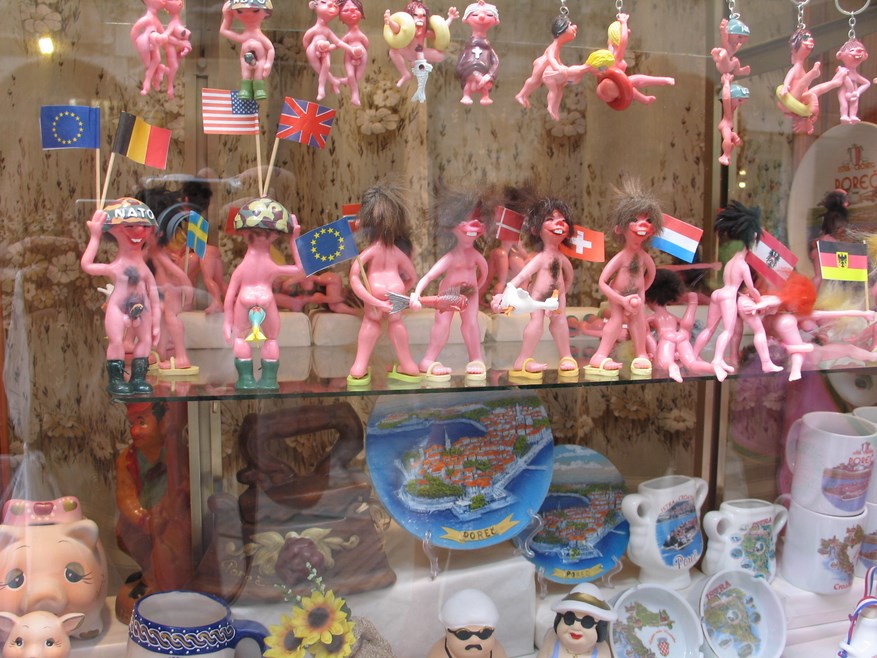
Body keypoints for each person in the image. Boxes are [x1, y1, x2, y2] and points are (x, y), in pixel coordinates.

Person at [115, 401, 190, 620]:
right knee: (126, 535)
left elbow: (188, 487)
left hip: (171, 519)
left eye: (142, 422)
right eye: (132, 424)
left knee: (173, 544)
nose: (134, 431)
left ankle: (170, 582)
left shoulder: (179, 455)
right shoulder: (127, 459)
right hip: (144, 521)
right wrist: (142, 519)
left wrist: (169, 514)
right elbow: (125, 496)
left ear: (163, 422)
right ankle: (150, 576)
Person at [81, 198, 162, 395]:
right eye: (130, 226)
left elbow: (153, 294)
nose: (138, 231)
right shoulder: (116, 266)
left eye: (144, 226)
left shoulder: (144, 269)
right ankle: (116, 380)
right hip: (118, 307)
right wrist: (95, 237)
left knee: (145, 341)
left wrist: (157, 322)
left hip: (142, 309)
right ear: (115, 229)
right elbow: (87, 265)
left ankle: (138, 378)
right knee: (116, 341)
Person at [491, 197, 576, 380]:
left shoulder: (562, 258)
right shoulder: (540, 258)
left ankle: (566, 356)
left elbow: (569, 276)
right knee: (536, 324)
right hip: (538, 297)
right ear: (536, 230)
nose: (558, 223)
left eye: (562, 219)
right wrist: (505, 293)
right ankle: (522, 360)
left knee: (560, 323)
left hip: (557, 297)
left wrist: (562, 293)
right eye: (550, 219)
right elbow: (522, 276)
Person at [585, 177, 662, 377]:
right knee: (616, 320)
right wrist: (620, 299)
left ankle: (641, 353)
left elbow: (651, 273)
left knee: (638, 321)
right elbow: (603, 282)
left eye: (648, 220)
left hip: (636, 297)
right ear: (620, 228)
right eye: (634, 220)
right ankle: (600, 356)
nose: (642, 225)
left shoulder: (644, 257)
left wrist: (641, 291)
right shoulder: (621, 257)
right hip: (618, 295)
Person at [224, 197, 303, 390]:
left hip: (246, 301)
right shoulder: (267, 266)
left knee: (248, 339)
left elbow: (230, 294)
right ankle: (261, 379)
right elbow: (300, 269)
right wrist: (294, 239)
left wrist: (227, 321)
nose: (261, 237)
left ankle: (253, 380)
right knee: (267, 339)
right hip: (264, 301)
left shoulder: (247, 267)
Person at [347, 183, 421, 386]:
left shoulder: (372, 250)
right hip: (395, 289)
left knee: (371, 323)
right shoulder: (396, 252)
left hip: (375, 290)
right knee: (396, 324)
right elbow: (412, 277)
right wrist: (400, 293)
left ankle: (359, 367)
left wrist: (373, 299)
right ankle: (408, 365)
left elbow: (354, 277)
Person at [410, 193, 488, 381]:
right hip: (449, 292)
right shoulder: (451, 257)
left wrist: (476, 289)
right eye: (465, 221)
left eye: (476, 220)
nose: (473, 225)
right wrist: (416, 294)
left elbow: (484, 273)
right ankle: (428, 360)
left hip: (470, 293)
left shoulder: (476, 256)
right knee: (442, 324)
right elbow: (429, 276)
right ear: (451, 227)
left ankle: (476, 358)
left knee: (471, 323)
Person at [692, 201, 766, 381]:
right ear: (752, 238)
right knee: (728, 330)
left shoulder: (731, 262)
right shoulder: (742, 264)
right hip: (729, 296)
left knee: (709, 329)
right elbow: (751, 287)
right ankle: (717, 359)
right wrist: (759, 300)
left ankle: (694, 356)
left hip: (718, 293)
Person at [585, 13, 675, 110]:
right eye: (625, 31)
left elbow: (612, 40)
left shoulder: (611, 48)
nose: (627, 32)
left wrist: (623, 29)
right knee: (631, 81)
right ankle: (662, 81)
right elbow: (623, 41)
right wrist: (624, 23)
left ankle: (644, 99)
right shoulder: (617, 55)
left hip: (606, 89)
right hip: (607, 88)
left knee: (626, 85)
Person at [645, 269, 715, 382]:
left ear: (648, 298)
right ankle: (712, 367)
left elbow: (647, 334)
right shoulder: (672, 316)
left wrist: (652, 354)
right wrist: (692, 302)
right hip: (681, 336)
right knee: (691, 363)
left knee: (664, 362)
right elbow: (686, 325)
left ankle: (671, 366)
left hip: (667, 338)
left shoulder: (652, 317)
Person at [515, 14, 587, 121]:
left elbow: (556, 59)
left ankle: (553, 108)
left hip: (547, 66)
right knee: (535, 81)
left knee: (557, 88)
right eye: (569, 25)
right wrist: (557, 67)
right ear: (561, 31)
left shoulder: (558, 45)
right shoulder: (554, 45)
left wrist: (560, 66)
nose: (574, 27)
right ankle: (521, 95)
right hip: (541, 64)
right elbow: (551, 57)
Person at [776, 28, 842, 135]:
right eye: (806, 38)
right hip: (791, 98)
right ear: (794, 47)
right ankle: (813, 74)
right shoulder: (796, 67)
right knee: (803, 82)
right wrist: (785, 86)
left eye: (810, 37)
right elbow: (790, 76)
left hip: (800, 100)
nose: (810, 39)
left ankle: (835, 82)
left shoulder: (800, 67)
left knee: (816, 90)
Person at [383, 0, 458, 89]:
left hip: (421, 53)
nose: (420, 18)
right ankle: (405, 74)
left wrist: (450, 18)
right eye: (416, 15)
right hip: (407, 52)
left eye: (423, 16)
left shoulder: (424, 32)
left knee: (441, 56)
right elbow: (397, 29)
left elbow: (441, 31)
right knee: (393, 51)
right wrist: (390, 22)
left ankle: (420, 70)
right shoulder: (407, 31)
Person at [302, 0, 363, 102]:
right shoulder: (315, 29)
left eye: (335, 5)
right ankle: (327, 85)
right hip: (313, 49)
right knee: (320, 69)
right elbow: (306, 39)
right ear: (314, 5)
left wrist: (350, 49)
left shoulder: (327, 31)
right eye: (323, 2)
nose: (331, 5)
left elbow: (338, 42)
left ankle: (329, 85)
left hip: (325, 51)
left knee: (326, 66)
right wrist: (309, 49)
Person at [537, 583, 616, 658]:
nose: (576, 627)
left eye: (587, 622)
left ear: (600, 628)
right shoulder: (551, 640)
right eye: (569, 618)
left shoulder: (602, 652)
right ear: (558, 620)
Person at [219, 0, 275, 100]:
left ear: (266, 13)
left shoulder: (259, 36)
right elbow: (223, 31)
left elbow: (270, 49)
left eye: (256, 10)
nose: (248, 14)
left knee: (258, 75)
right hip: (245, 59)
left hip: (261, 59)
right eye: (240, 11)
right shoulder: (244, 37)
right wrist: (227, 17)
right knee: (245, 74)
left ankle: (259, 89)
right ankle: (245, 89)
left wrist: (268, 64)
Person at [426, 589, 507, 658]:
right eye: (463, 634)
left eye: (485, 633)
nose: (475, 640)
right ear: (447, 632)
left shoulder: (497, 653)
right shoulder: (437, 655)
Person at [455, 0, 500, 106]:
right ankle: (467, 94)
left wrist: (490, 75)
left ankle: (485, 94)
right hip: (470, 72)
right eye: (475, 14)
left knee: (483, 81)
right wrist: (460, 69)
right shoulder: (468, 48)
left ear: (495, 20)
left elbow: (496, 62)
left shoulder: (488, 49)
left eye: (489, 15)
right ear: (466, 19)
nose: (481, 17)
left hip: (484, 72)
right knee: (471, 78)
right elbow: (461, 60)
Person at [809, 189, 849, 290]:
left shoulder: (829, 215)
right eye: (846, 199)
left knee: (818, 277)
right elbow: (838, 230)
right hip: (825, 247)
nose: (848, 202)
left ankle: (811, 296)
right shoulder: (838, 216)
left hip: (819, 247)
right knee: (821, 277)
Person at [130, 0, 167, 96]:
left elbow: (163, 33)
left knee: (156, 60)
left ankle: (151, 81)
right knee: (149, 64)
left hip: (153, 44)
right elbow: (134, 31)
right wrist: (139, 43)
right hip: (145, 44)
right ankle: (153, 79)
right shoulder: (147, 19)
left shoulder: (155, 20)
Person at [834, 38, 871, 125]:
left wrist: (858, 92)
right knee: (844, 104)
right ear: (840, 55)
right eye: (851, 50)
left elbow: (867, 83)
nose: (858, 51)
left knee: (854, 105)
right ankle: (844, 116)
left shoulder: (855, 75)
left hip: (854, 93)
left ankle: (853, 116)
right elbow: (834, 82)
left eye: (861, 50)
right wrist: (841, 75)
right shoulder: (842, 70)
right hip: (844, 91)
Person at [339, 0, 369, 106]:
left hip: (362, 55)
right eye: (346, 10)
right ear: (341, 18)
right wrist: (330, 47)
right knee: (351, 75)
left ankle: (342, 84)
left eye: (356, 9)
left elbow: (366, 44)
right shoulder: (348, 36)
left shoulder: (360, 34)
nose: (352, 10)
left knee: (357, 76)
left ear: (361, 14)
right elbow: (339, 43)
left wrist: (361, 53)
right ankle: (355, 94)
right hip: (349, 55)